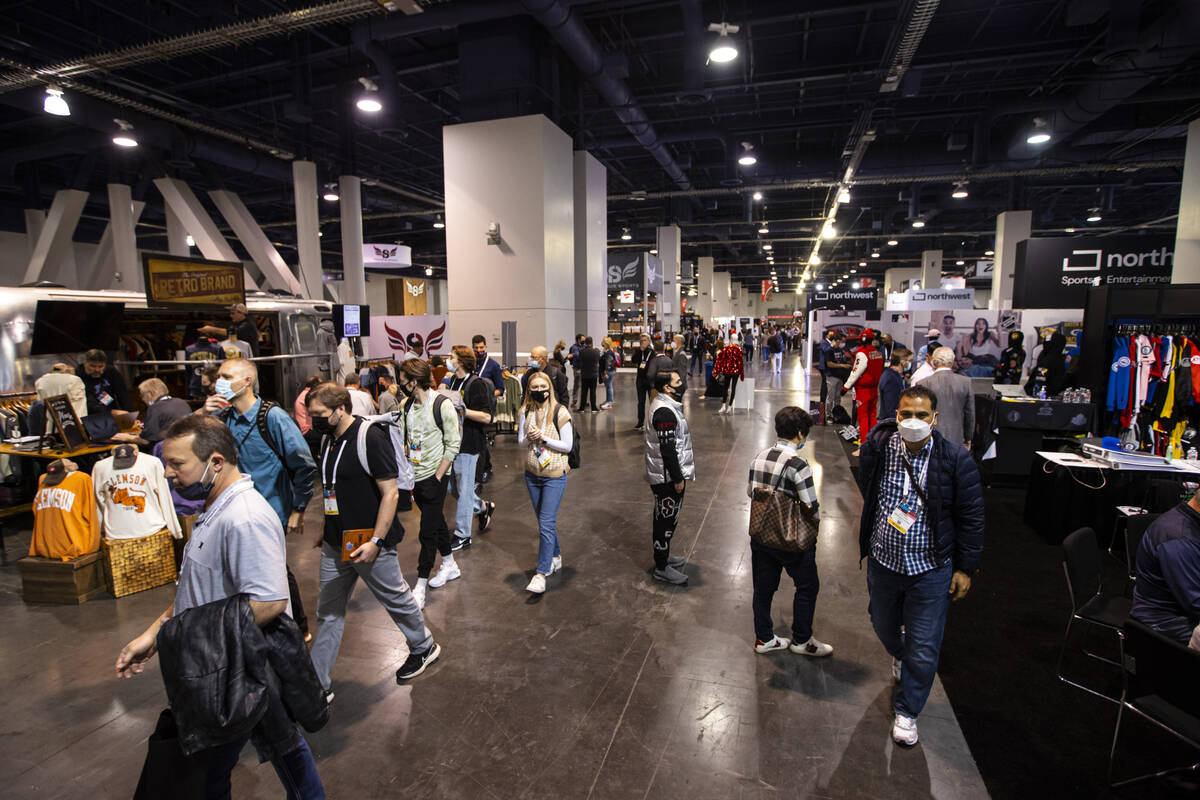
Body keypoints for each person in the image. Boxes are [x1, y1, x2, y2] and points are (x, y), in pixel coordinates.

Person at [115, 415, 324, 797]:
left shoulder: (244, 517)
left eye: (177, 464)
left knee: (211, 774)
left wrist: (188, 636)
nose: (167, 473)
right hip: (228, 662)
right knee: (283, 752)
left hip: (236, 669)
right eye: (166, 462)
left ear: (215, 462)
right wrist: (154, 634)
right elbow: (198, 592)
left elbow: (270, 601)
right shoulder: (214, 507)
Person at [857, 385, 984, 746]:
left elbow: (972, 516)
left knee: (925, 644)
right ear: (896, 415)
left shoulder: (955, 459)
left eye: (921, 415)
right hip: (884, 562)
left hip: (931, 567)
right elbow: (870, 490)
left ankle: (908, 711)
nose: (913, 421)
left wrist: (965, 568)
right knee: (882, 625)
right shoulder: (880, 448)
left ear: (935, 419)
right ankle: (901, 654)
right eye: (906, 414)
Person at [305, 383, 441, 692]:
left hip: (369, 541)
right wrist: (325, 530)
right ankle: (317, 683)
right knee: (328, 611)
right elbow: (333, 489)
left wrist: (377, 542)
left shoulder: (370, 438)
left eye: (320, 414)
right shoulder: (328, 440)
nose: (315, 421)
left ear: (341, 408)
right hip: (335, 541)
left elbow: (390, 494)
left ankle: (424, 647)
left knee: (395, 598)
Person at [202, 357, 315, 640]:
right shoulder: (223, 418)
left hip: (269, 512)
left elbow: (303, 465)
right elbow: (193, 445)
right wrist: (202, 414)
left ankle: (296, 630)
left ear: (247, 381)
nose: (220, 383)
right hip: (235, 511)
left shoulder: (272, 417)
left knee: (273, 571)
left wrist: (298, 508)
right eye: (219, 377)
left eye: (227, 376)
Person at [747, 406, 833, 657]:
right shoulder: (798, 465)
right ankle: (802, 640)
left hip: (762, 534)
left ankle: (764, 639)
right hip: (791, 539)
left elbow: (751, 493)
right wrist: (815, 523)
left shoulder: (759, 456)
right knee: (807, 586)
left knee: (763, 589)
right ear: (799, 434)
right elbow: (810, 505)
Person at [396, 358, 462, 609]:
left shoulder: (442, 405)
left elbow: (452, 443)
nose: (400, 386)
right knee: (437, 524)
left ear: (414, 381)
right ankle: (449, 563)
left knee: (426, 531)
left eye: (403, 382)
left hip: (435, 477)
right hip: (414, 477)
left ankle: (421, 583)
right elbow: (403, 437)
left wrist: (438, 476)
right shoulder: (405, 406)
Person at [518, 371, 573, 594]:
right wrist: (529, 438)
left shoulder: (560, 412)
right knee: (544, 522)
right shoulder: (525, 410)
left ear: (549, 387)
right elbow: (520, 442)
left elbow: (567, 446)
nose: (539, 391)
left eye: (543, 386)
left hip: (555, 475)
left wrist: (544, 438)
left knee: (546, 523)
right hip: (532, 474)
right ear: (529, 389)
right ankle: (556, 556)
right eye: (535, 387)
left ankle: (541, 573)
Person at [1129, 486, 1200, 644]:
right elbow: (1196, 603)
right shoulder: (1179, 539)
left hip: (1184, 608)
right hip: (1166, 623)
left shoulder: (1191, 519)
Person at [645, 369, 693, 585]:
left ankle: (664, 557)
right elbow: (668, 450)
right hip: (666, 478)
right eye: (678, 381)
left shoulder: (665, 405)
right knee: (665, 520)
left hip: (665, 474)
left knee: (667, 518)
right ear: (667, 388)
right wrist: (678, 478)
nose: (682, 384)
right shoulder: (664, 411)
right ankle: (661, 567)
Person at [445, 346, 496, 552]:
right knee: (453, 488)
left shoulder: (476, 384)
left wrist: (462, 411)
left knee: (464, 490)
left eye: (451, 357)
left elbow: (487, 416)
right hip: (453, 442)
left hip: (470, 443)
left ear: (461, 361)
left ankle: (463, 535)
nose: (448, 360)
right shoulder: (453, 381)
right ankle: (483, 507)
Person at [920, 347, 975, 451]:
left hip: (928, 439)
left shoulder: (923, 384)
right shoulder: (965, 383)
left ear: (934, 361)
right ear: (952, 361)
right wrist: (968, 438)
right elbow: (970, 414)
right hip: (956, 438)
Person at [113, 378, 191, 448]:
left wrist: (127, 437)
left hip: (166, 450)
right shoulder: (182, 402)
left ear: (150, 394)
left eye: (142, 395)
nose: (142, 400)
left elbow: (146, 441)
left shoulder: (155, 408)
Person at [843, 327, 885, 440]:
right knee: (872, 414)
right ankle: (874, 439)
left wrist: (846, 387)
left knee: (863, 416)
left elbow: (856, 372)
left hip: (863, 390)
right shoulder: (878, 353)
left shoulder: (862, 353)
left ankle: (864, 443)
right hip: (874, 389)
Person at [1026, 332, 1067, 397]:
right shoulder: (1050, 359)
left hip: (1048, 394)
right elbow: (1040, 379)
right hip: (1045, 395)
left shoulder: (1049, 356)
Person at [713, 335, 744, 415]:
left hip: (727, 371)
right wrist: (742, 374)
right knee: (733, 388)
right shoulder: (739, 349)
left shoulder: (726, 349)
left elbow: (720, 359)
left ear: (731, 339)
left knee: (725, 388)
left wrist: (717, 370)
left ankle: (723, 405)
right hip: (736, 372)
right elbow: (741, 363)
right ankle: (729, 406)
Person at [295, 375, 323, 461]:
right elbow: (317, 412)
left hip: (305, 429)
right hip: (306, 431)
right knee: (327, 438)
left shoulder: (304, 394)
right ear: (316, 386)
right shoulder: (308, 396)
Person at [878, 351, 911, 423]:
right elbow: (890, 405)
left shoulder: (896, 375)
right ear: (902, 362)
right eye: (909, 361)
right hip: (890, 422)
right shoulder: (890, 378)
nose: (909, 363)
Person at [632, 333, 655, 430]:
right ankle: (640, 422)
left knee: (652, 402)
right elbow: (633, 360)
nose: (643, 342)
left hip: (649, 380)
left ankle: (653, 422)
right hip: (640, 380)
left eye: (645, 340)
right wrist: (639, 351)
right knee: (640, 402)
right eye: (641, 341)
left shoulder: (652, 352)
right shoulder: (638, 351)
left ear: (649, 341)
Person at [576, 336, 601, 412]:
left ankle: (582, 408)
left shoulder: (582, 352)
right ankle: (593, 408)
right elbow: (598, 361)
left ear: (585, 343)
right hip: (593, 375)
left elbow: (579, 361)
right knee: (593, 392)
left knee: (584, 392)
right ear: (592, 342)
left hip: (584, 375)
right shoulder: (596, 351)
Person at [817, 330, 836, 420]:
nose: (833, 335)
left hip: (828, 366)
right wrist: (832, 345)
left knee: (826, 383)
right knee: (824, 383)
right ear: (827, 335)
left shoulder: (830, 342)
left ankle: (824, 398)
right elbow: (825, 350)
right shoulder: (823, 343)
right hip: (824, 367)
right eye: (831, 334)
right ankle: (822, 400)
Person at [600, 337, 619, 410]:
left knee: (609, 386)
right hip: (609, 371)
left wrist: (606, 373)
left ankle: (609, 402)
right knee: (608, 386)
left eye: (603, 343)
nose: (602, 344)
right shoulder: (608, 351)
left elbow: (608, 363)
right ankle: (608, 400)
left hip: (609, 371)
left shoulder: (609, 352)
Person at [568, 333, 585, 407]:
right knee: (577, 385)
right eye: (582, 339)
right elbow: (577, 355)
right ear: (578, 339)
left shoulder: (584, 346)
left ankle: (584, 400)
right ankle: (574, 400)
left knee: (584, 385)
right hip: (577, 368)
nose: (584, 340)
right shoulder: (574, 347)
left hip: (584, 368)